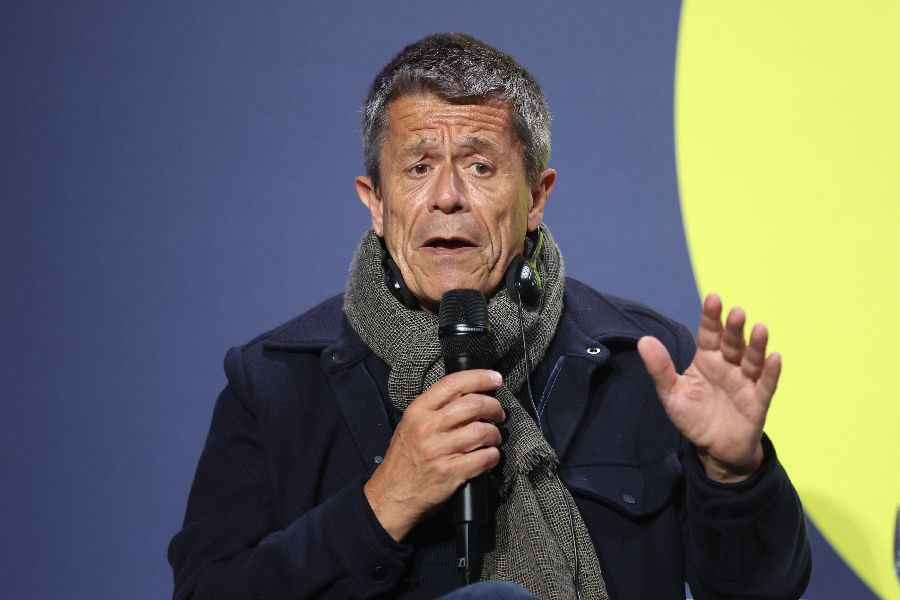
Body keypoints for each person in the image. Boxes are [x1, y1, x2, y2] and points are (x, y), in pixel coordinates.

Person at [168, 33, 811, 599]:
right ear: (377, 202)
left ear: (536, 196)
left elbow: (764, 590)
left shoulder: (642, 360)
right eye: (418, 167)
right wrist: (381, 505)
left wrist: (734, 476)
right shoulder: (276, 383)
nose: (448, 197)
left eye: (480, 166)